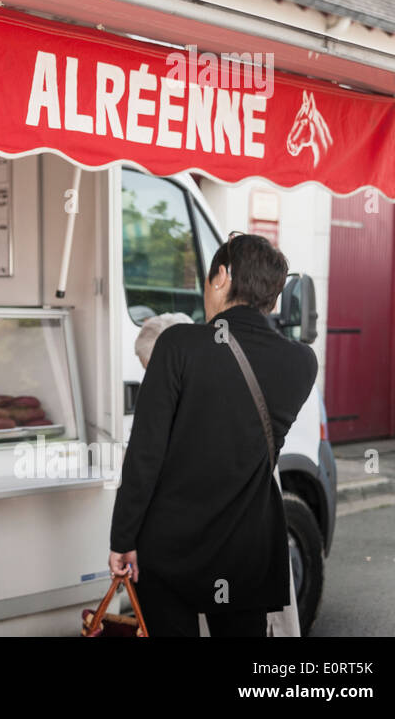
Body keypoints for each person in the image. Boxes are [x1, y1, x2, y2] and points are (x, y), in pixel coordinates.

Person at [109, 233, 318, 636]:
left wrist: (123, 537)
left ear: (221, 277)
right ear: (272, 299)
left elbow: (145, 453)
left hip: (171, 546)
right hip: (247, 546)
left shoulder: (178, 345)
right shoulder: (301, 362)